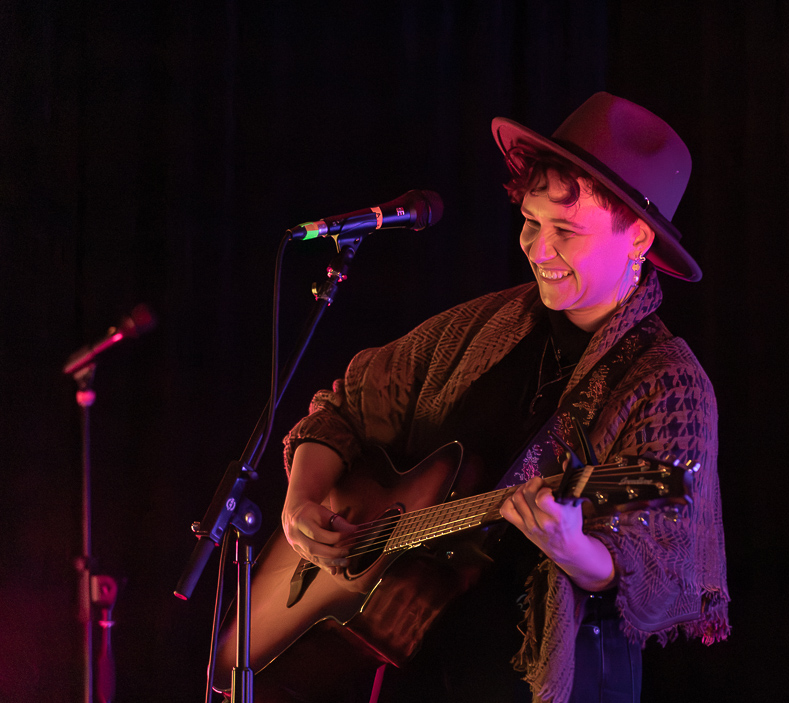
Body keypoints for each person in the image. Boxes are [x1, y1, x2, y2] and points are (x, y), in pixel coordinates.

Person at [278, 92, 729, 703]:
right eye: (532, 222)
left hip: (550, 683)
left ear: (639, 238)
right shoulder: (490, 324)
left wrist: (574, 548)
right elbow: (348, 407)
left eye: (565, 230)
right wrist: (301, 500)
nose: (537, 249)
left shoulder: (669, 383)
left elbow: (659, 565)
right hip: (416, 669)